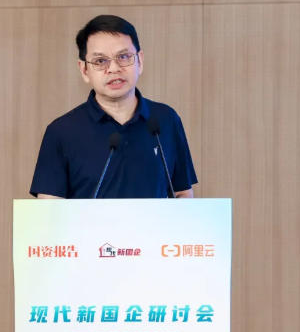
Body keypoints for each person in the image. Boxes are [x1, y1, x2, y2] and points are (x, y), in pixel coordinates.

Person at [30, 14, 197, 198]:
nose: (114, 69)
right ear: (84, 70)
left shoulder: (166, 120)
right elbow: (49, 207)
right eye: (100, 61)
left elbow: (182, 194)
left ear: (140, 61)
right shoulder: (62, 131)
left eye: (123, 57)